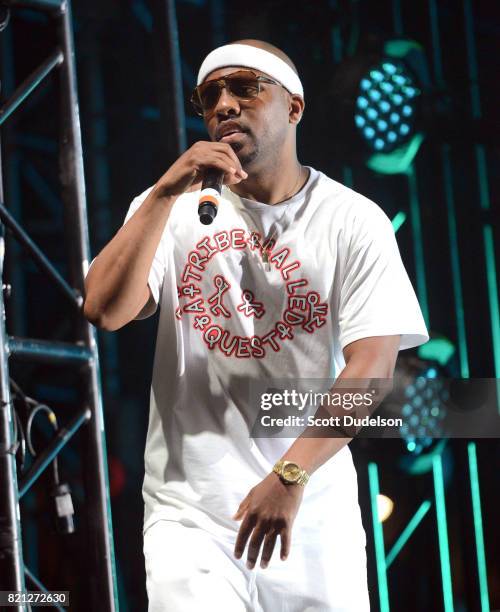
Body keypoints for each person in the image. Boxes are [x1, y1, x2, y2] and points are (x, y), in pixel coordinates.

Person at [83, 39, 429, 612]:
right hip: (189, 515)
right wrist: (168, 191)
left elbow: (371, 369)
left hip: (312, 510)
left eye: (244, 88)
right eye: (210, 95)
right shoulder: (166, 207)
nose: (224, 105)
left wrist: (290, 475)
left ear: (294, 107)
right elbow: (104, 309)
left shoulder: (353, 221)